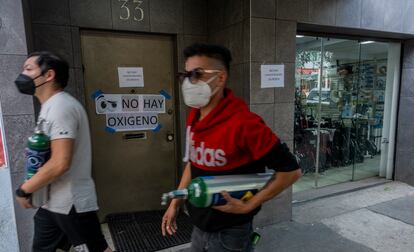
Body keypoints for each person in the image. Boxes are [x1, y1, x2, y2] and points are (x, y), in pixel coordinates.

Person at [161, 43, 302, 251]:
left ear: (220, 77)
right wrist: (176, 202)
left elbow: (290, 172)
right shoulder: (195, 118)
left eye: (197, 74)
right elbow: (194, 163)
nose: (189, 83)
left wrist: (250, 205)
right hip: (199, 226)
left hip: (231, 233)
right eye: (186, 75)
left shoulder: (245, 124)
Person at [14, 51, 111, 252]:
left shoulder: (61, 107)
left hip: (71, 202)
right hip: (52, 202)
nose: (23, 74)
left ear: (48, 75)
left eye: (29, 69)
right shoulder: (50, 106)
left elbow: (60, 162)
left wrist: (25, 189)